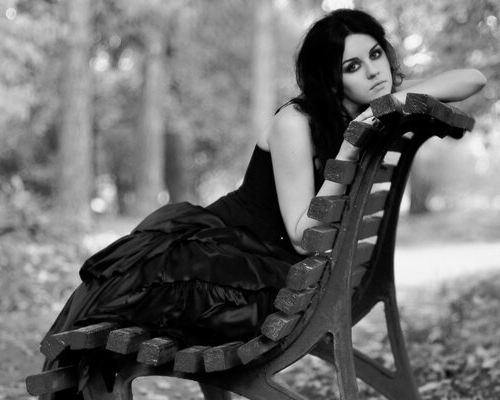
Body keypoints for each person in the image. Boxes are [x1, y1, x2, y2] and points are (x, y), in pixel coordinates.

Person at [40, 8, 486, 399]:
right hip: (223, 248)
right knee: (112, 332)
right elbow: (299, 232)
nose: (373, 71)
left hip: (269, 266)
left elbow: (474, 78)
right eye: (353, 65)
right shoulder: (296, 121)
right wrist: (350, 148)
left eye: (375, 55)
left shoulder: (369, 111)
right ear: (332, 79)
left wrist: (390, 105)